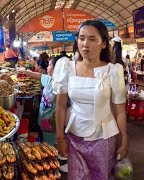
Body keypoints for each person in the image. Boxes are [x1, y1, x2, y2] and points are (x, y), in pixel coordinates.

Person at [53, 20, 128, 179]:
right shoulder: (67, 67)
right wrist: (60, 137)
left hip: (104, 138)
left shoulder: (113, 71)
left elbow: (119, 111)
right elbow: (60, 106)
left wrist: (124, 138)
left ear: (103, 44)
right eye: (81, 38)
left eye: (92, 39)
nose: (85, 44)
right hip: (74, 137)